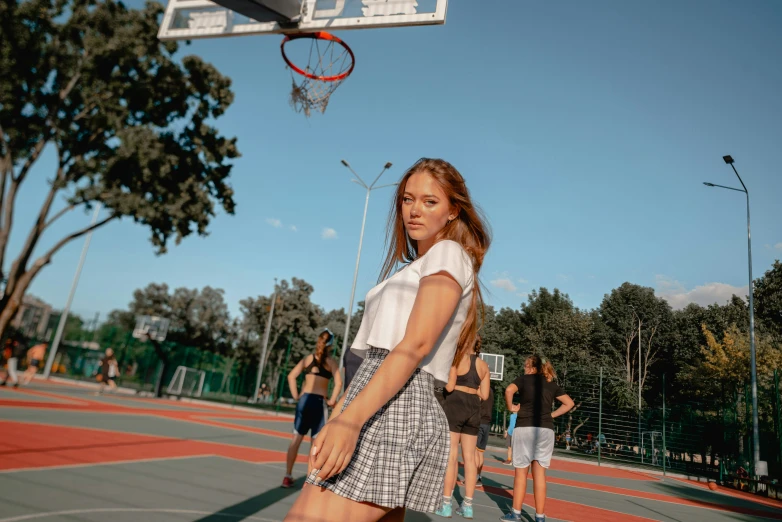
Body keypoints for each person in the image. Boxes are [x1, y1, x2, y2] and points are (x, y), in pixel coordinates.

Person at [285, 158, 490, 522]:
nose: (414, 210)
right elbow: (368, 361)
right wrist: (342, 413)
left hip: (397, 399)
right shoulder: (412, 268)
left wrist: (350, 421)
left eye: (430, 201)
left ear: (453, 210)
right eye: (407, 199)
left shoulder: (447, 253)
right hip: (375, 393)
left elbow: (415, 346)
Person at [500, 356, 575, 522]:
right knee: (540, 474)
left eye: (525, 365)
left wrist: (510, 407)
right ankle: (540, 517)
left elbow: (508, 390)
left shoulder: (523, 380)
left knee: (521, 473)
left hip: (525, 427)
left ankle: (516, 513)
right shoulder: (551, 384)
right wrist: (551, 415)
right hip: (546, 430)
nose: (524, 368)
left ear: (530, 367)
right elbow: (569, 403)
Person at [282, 328, 342, 488]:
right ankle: (310, 479)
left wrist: (296, 396)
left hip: (304, 400)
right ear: (331, 344)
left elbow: (291, 376)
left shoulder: (308, 359)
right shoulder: (331, 362)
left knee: (296, 439)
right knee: (316, 443)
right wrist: (332, 400)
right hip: (318, 402)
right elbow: (339, 383)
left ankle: (287, 476)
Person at [437, 336, 490, 519]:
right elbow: (484, 394)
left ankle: (445, 504)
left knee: (451, 456)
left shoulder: (456, 359)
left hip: (455, 405)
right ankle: (467, 506)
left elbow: (450, 387)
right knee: (470, 458)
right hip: (474, 409)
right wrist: (472, 390)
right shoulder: (483, 366)